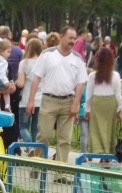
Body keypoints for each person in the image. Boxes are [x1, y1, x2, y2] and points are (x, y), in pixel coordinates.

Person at [26, 26, 88, 169]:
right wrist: (31, 101)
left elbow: (81, 83)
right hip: (49, 100)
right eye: (70, 38)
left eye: (74, 38)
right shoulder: (47, 54)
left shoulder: (77, 58)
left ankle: (60, 172)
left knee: (64, 139)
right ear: (61, 36)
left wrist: (76, 103)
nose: (73, 41)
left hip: (68, 101)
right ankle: (37, 165)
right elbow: (36, 78)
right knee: (44, 135)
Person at [84, 47, 122, 155]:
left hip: (97, 102)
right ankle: (107, 151)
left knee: (96, 127)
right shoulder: (115, 75)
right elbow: (118, 94)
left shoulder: (92, 76)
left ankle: (98, 149)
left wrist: (87, 109)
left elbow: (88, 94)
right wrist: (120, 108)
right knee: (109, 128)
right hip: (111, 103)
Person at [17, 38, 43, 143]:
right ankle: (35, 147)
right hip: (41, 99)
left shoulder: (24, 63)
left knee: (23, 127)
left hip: (26, 99)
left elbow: (21, 83)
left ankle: (28, 144)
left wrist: (14, 82)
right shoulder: (43, 63)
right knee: (36, 128)